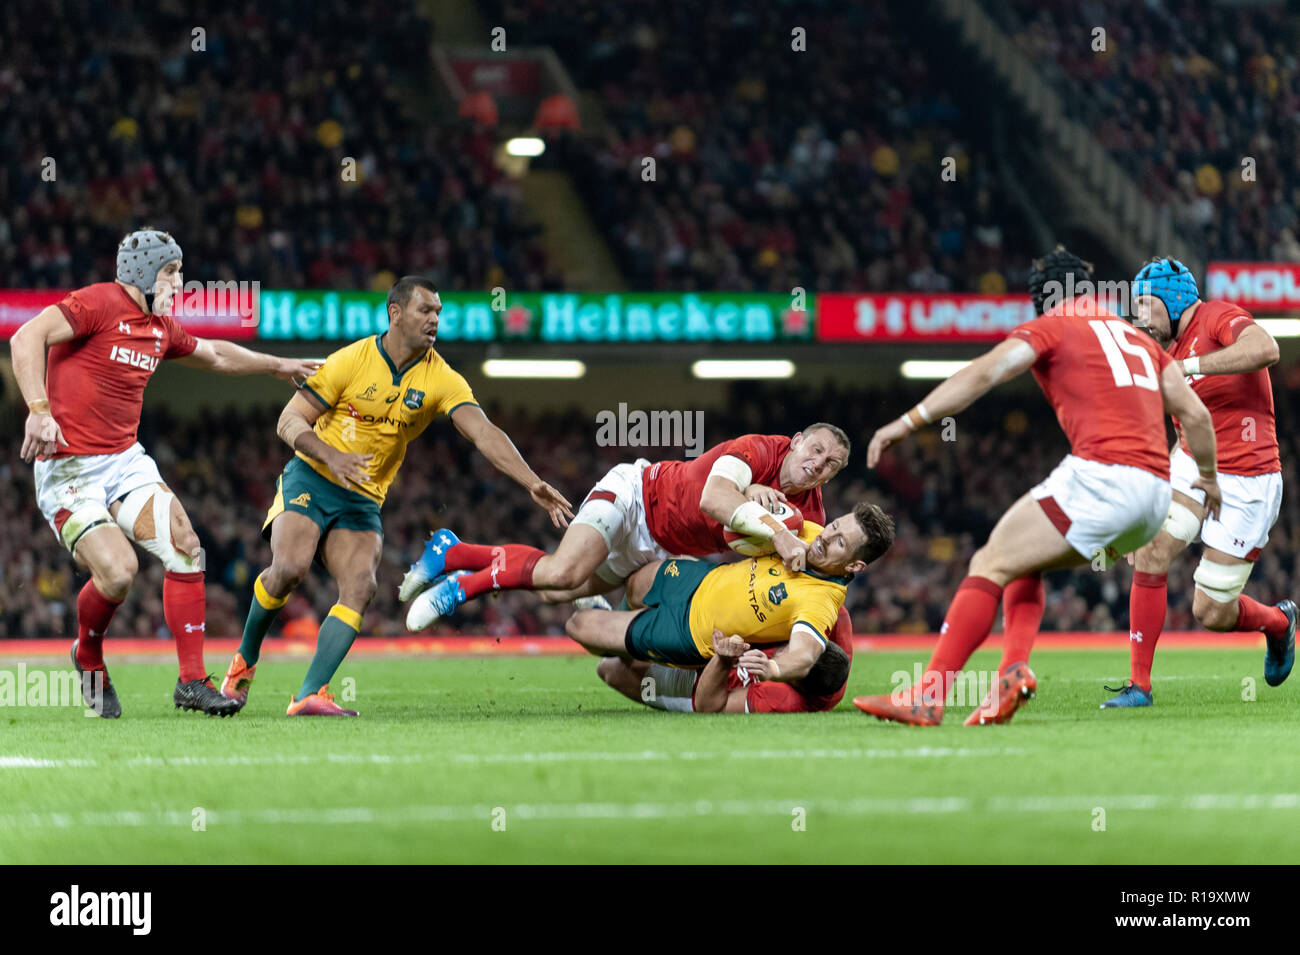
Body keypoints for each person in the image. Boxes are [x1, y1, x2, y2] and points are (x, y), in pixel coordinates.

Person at [853, 247, 1220, 727]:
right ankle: (1011, 673)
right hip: (1156, 495)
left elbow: (985, 372)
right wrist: (1208, 479)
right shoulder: (1138, 339)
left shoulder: (1054, 323)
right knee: (1024, 562)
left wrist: (907, 422)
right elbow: (1195, 415)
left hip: (1103, 476)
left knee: (989, 560)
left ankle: (928, 693)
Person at [218, 276, 573, 716]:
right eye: (426, 310)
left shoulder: (440, 377)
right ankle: (243, 664)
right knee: (288, 569)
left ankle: (310, 694)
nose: (435, 320)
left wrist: (531, 481)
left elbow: (482, 431)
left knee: (361, 586)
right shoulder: (351, 360)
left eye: (439, 313)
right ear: (396, 313)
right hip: (311, 477)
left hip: (363, 498)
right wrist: (331, 456)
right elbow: (289, 421)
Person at [13, 228, 321, 718]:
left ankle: (191, 682)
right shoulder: (97, 303)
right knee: (118, 575)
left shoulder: (160, 326)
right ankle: (88, 655)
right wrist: (38, 408)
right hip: (68, 467)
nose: (181, 282)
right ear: (143, 272)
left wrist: (275, 364)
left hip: (123, 459)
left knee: (186, 545)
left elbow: (216, 354)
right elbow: (27, 336)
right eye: (172, 271)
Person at [400, 425, 851, 629]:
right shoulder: (758, 448)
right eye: (815, 449)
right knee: (563, 573)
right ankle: (460, 589)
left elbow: (805, 563)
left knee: (552, 591)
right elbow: (714, 498)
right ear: (795, 442)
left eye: (831, 463)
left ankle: (453, 553)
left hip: (656, 545)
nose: (818, 464)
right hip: (636, 493)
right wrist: (770, 522)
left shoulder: (810, 516)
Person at [1104, 257, 1296, 707]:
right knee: (1150, 548)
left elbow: (1266, 348)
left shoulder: (1216, 316)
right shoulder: (1162, 351)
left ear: (1172, 302)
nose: (1139, 315)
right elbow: (1183, 431)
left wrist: (1192, 366)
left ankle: (1280, 624)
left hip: (1250, 479)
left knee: (1209, 612)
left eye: (1146, 304)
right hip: (1194, 465)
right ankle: (1139, 686)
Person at [564, 504, 893, 685]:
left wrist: (775, 669)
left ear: (856, 565)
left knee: (579, 624)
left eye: (839, 542)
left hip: (688, 633)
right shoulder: (805, 529)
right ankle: (623, 629)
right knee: (634, 582)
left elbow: (805, 655)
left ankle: (621, 643)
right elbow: (748, 509)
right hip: (697, 578)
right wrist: (758, 495)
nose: (825, 537)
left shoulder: (820, 601)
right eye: (835, 525)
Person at [596, 607, 854, 713]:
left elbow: (708, 704)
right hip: (710, 638)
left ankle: (605, 618)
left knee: (610, 669)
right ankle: (611, 617)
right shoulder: (836, 624)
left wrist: (723, 659)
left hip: (701, 681)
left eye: (786, 657)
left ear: (795, 681)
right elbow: (829, 598)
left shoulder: (782, 699)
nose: (783, 648)